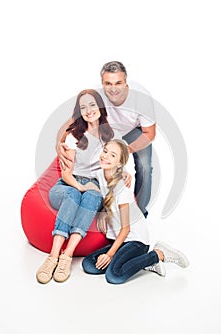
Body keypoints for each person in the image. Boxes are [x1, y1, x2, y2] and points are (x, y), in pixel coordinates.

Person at [36, 89, 130, 284]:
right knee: (72, 195)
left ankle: (66, 256)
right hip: (67, 185)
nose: (88, 110)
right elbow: (66, 175)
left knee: (93, 196)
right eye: (83, 107)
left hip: (93, 184)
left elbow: (115, 160)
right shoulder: (74, 137)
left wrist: (123, 173)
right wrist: (81, 187)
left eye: (92, 105)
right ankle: (53, 256)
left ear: (99, 106)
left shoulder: (109, 135)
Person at [82, 139, 189, 284]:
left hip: (135, 240)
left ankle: (157, 254)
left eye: (113, 155)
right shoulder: (101, 174)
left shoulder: (122, 189)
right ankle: (144, 263)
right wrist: (102, 211)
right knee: (88, 264)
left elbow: (126, 229)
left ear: (119, 163)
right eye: (105, 151)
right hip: (118, 240)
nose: (105, 156)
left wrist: (109, 254)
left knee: (114, 276)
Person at [57, 61, 156, 218]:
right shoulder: (97, 94)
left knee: (145, 167)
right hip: (106, 129)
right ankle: (102, 204)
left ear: (125, 82)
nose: (113, 88)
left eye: (118, 83)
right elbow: (73, 120)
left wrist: (125, 150)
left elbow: (149, 133)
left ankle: (140, 214)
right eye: (108, 83)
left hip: (133, 131)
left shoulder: (141, 99)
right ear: (102, 83)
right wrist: (58, 145)